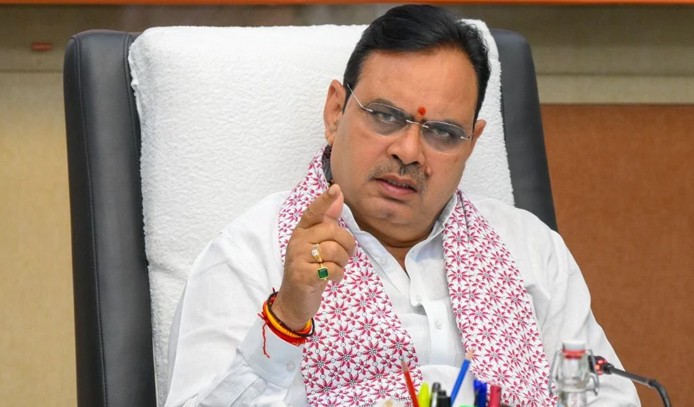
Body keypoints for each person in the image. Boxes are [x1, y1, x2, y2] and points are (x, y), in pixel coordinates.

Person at [164, 5, 640, 407]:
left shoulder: (530, 250)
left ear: (471, 144)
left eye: (442, 132)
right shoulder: (250, 255)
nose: (409, 152)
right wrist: (286, 317)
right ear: (336, 112)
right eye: (386, 116)